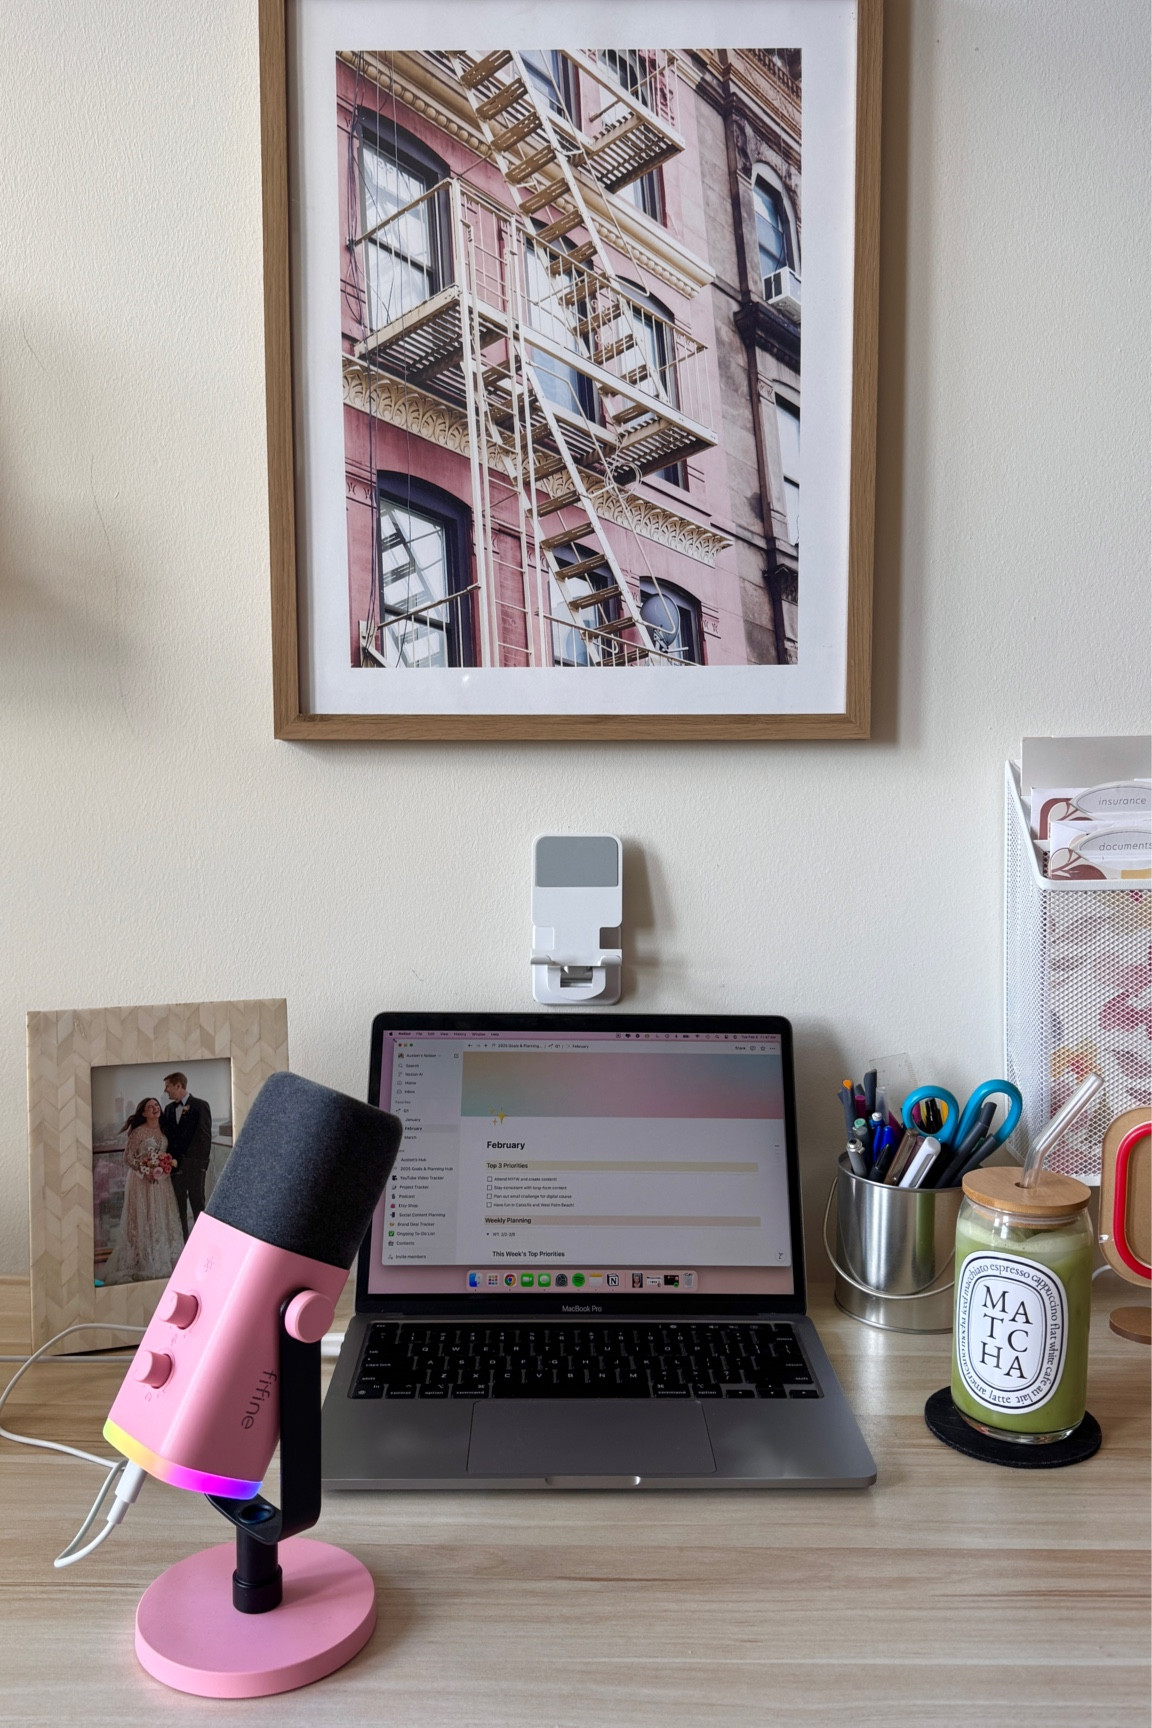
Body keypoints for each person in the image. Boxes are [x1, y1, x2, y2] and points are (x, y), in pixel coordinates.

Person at [102, 1098, 184, 1285]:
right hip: (141, 1182)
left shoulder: (164, 1129)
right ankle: (141, 1258)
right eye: (150, 1107)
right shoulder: (139, 1132)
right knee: (142, 1216)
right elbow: (127, 1157)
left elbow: (167, 1154)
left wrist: (164, 1166)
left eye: (156, 1106)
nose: (155, 1109)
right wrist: (144, 1170)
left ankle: (161, 1255)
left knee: (161, 1216)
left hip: (162, 1182)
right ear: (144, 1113)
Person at [162, 1071, 214, 1241]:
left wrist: (200, 1166)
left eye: (168, 1086)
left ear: (178, 1086)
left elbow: (205, 1138)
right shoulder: (169, 1110)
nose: (165, 1090)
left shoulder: (200, 1105)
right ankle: (184, 1245)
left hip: (194, 1168)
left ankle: (203, 1243)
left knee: (198, 1207)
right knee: (179, 1210)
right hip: (175, 1168)